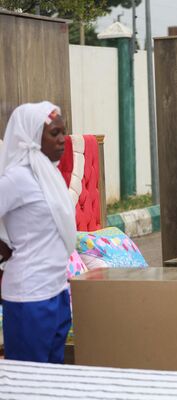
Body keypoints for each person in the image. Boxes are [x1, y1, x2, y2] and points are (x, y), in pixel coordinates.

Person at [0, 101, 76, 363]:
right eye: (54, 133)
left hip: (56, 293)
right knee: (28, 385)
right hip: (28, 299)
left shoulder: (49, 174)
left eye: (63, 132)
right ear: (32, 137)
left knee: (51, 382)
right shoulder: (18, 178)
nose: (63, 140)